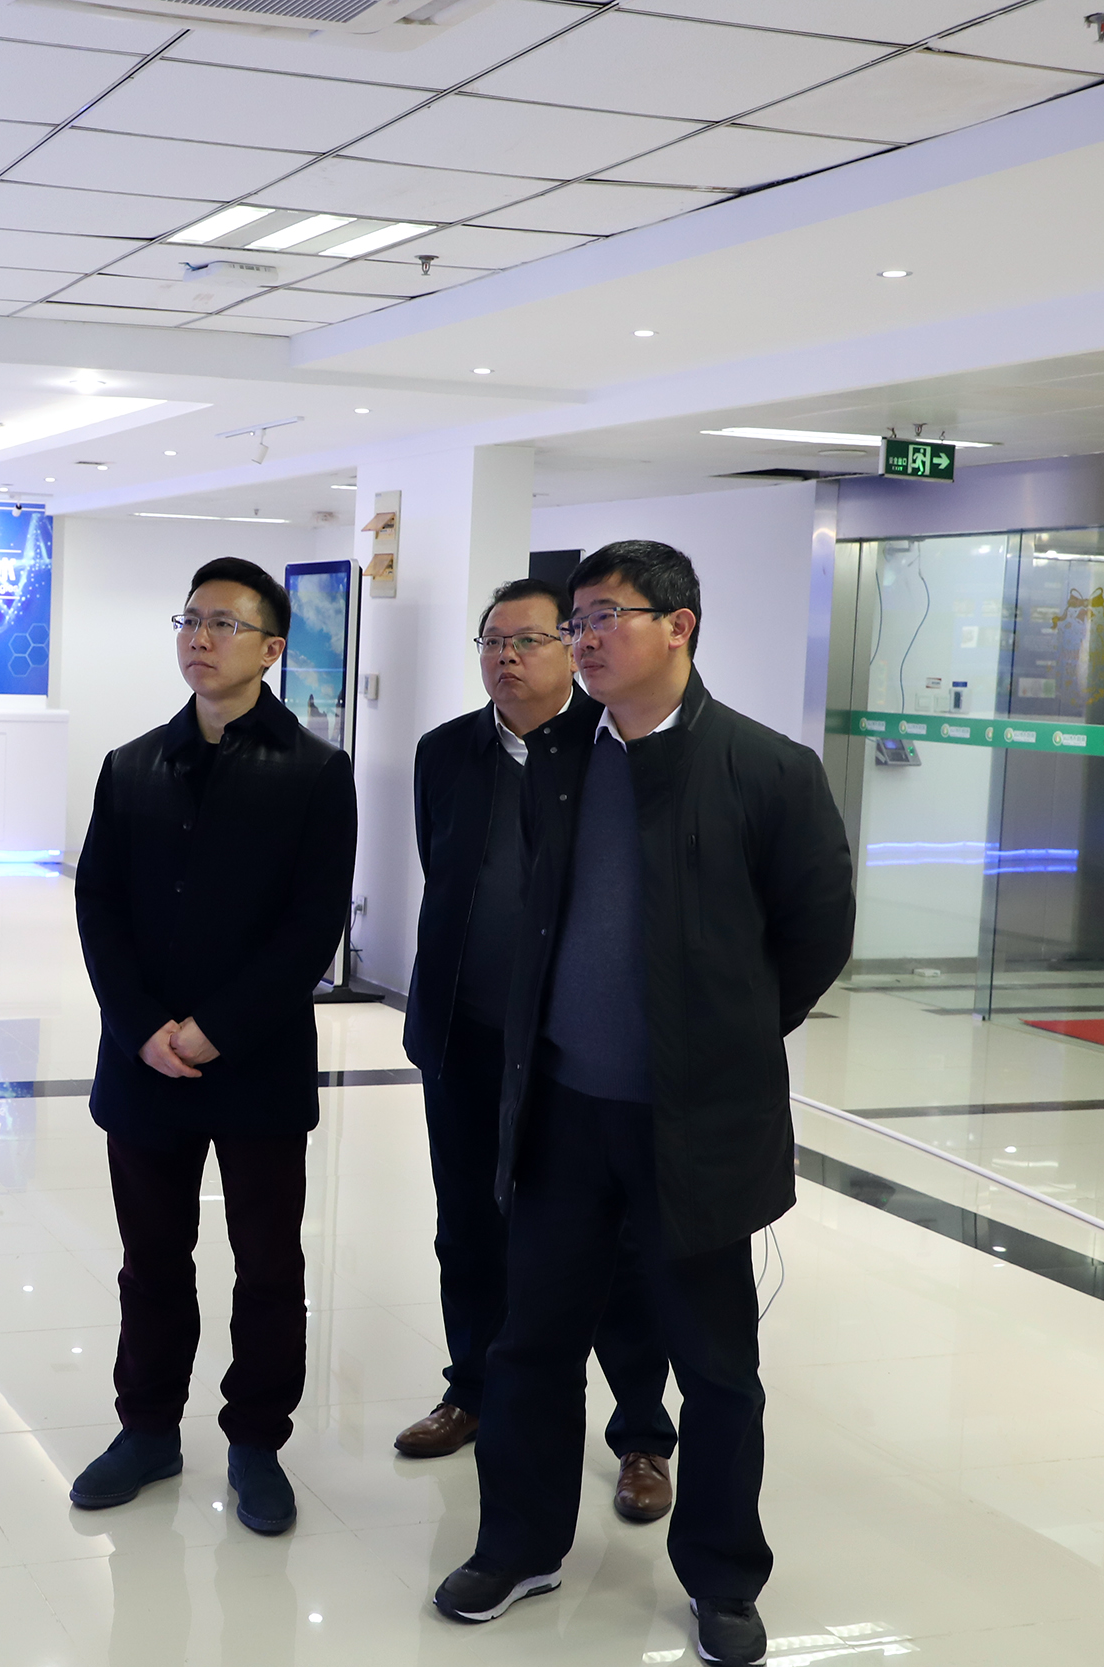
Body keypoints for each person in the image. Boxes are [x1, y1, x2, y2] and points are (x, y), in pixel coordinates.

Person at [433, 541, 854, 1667]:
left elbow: (815, 937)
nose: (583, 638)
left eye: (605, 615)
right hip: (561, 1109)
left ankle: (721, 1574)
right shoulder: (561, 759)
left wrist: (714, 1037)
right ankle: (519, 1543)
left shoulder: (766, 770)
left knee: (715, 1368)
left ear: (680, 626)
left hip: (693, 1123)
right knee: (530, 1344)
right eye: (576, 619)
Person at [67, 555, 358, 1536]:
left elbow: (309, 927)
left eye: (225, 623)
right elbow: (99, 907)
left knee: (267, 1264)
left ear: (271, 649)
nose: (200, 637)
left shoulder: (315, 773)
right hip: (143, 1066)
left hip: (257, 1064)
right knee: (152, 1258)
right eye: (191, 620)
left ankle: (256, 1440)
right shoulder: (130, 765)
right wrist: (141, 1027)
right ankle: (147, 1428)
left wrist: (214, 1028)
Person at [396, 577, 678, 1528]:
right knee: (467, 1225)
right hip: (465, 1034)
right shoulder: (445, 752)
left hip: (571, 1050)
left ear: (573, 648)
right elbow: (446, 875)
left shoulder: (607, 752)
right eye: (491, 641)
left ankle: (642, 1434)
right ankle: (471, 1387)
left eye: (526, 640)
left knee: (613, 1243)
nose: (504, 657)